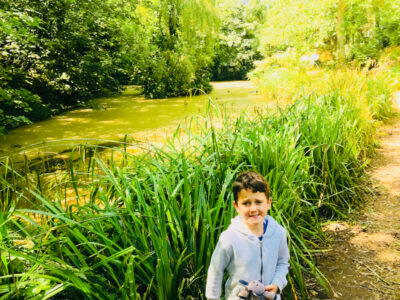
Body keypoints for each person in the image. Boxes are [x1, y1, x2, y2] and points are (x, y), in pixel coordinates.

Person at [205, 170, 290, 300]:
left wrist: (277, 284)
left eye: (258, 202)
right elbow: (215, 272)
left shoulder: (278, 233)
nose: (253, 209)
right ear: (236, 206)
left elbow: (282, 262)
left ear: (268, 203)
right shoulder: (229, 238)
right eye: (246, 203)